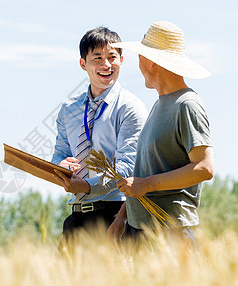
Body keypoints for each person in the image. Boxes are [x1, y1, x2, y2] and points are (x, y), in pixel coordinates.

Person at [108, 21, 214, 244]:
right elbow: (145, 171)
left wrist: (146, 185)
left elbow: (204, 168)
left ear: (151, 61)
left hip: (170, 233)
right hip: (139, 229)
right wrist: (122, 217)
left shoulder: (187, 104)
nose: (138, 64)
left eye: (139, 57)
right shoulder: (159, 105)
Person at [51, 27, 148, 245]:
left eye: (112, 57)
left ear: (122, 60)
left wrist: (87, 187)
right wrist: (61, 167)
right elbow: (58, 156)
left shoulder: (130, 108)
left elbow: (127, 168)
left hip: (116, 217)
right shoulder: (69, 109)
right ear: (83, 63)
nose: (106, 65)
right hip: (76, 217)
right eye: (98, 58)